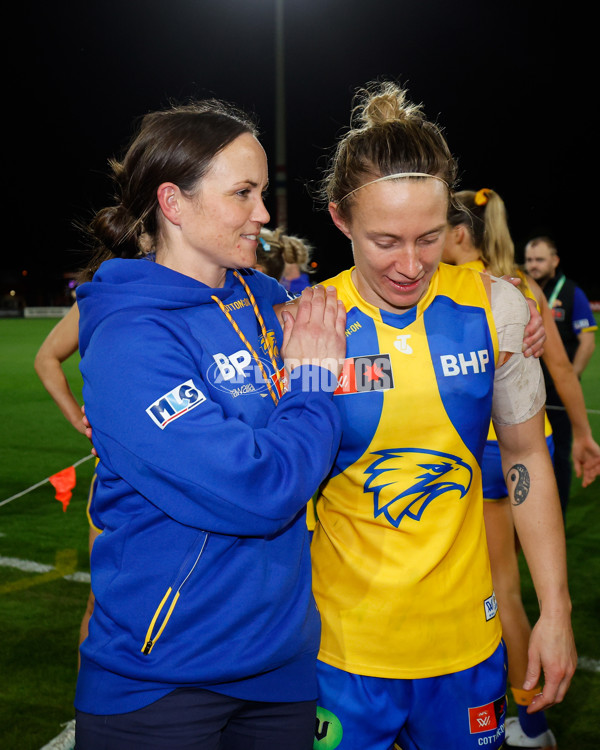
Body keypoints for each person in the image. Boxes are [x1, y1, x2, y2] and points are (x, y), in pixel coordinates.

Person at [309, 81, 576, 750]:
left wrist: (556, 608)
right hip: (339, 652)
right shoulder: (305, 325)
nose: (409, 265)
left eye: (429, 238)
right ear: (340, 220)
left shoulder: (498, 309)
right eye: (384, 240)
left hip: (465, 646)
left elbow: (523, 457)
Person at [74, 98, 347, 749]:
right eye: (243, 194)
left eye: (263, 192)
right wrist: (312, 382)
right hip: (164, 685)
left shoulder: (262, 297)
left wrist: (483, 299)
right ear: (174, 201)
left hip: (281, 670)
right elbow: (259, 490)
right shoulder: (130, 340)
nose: (263, 214)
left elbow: (361, 321)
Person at [445, 187, 600, 749]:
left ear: (460, 233)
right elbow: (560, 369)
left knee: (503, 592)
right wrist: (583, 435)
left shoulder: (451, 292)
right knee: (545, 583)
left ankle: (529, 723)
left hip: (490, 454)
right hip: (542, 443)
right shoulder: (521, 285)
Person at [34, 303, 101, 659]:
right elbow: (46, 358)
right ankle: (89, 712)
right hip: (121, 484)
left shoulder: (234, 290)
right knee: (102, 600)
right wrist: (79, 420)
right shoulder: (104, 292)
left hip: (206, 482)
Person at [524, 236, 598, 514]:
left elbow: (588, 342)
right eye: (529, 259)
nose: (533, 265)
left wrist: (569, 377)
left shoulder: (571, 292)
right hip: (527, 391)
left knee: (559, 455)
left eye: (540, 259)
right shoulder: (522, 289)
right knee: (528, 452)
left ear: (554, 261)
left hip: (559, 393)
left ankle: (556, 513)